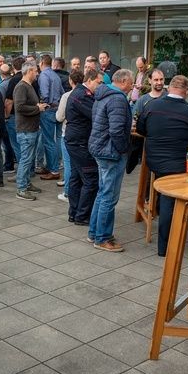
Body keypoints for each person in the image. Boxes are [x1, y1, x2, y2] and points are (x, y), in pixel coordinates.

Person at [137, 75, 188, 257]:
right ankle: (165, 246)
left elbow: (141, 129)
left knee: (166, 195)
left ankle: (165, 234)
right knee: (169, 199)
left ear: (168, 87)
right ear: (187, 92)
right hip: (179, 163)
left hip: (154, 161)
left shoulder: (151, 106)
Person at [88, 69, 135, 252]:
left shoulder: (103, 94)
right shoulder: (117, 98)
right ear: (123, 81)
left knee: (102, 193)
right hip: (110, 152)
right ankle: (102, 238)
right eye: (131, 82)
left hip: (101, 148)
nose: (132, 86)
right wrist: (123, 149)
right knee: (109, 196)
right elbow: (116, 130)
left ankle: (94, 232)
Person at [65, 68, 102, 225]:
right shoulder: (82, 95)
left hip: (76, 141)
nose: (101, 86)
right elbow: (96, 114)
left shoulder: (81, 93)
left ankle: (74, 213)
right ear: (90, 80)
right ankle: (82, 216)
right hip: (79, 143)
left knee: (76, 178)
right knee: (91, 179)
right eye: (99, 83)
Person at [13, 61, 45, 200]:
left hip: (31, 129)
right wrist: (37, 108)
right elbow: (19, 107)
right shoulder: (21, 87)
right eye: (35, 71)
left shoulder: (28, 86)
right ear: (29, 71)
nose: (37, 73)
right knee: (26, 160)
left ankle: (26, 184)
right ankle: (21, 188)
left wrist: (37, 106)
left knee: (28, 158)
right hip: (26, 130)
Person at [56, 70, 83, 203]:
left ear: (70, 81)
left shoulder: (67, 96)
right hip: (83, 134)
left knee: (68, 165)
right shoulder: (88, 95)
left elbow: (59, 117)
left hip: (67, 133)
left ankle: (68, 193)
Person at [38, 54, 64, 180]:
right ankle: (51, 166)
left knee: (48, 141)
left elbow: (45, 94)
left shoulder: (44, 75)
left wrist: (42, 104)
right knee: (55, 140)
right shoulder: (55, 75)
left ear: (42, 63)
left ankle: (54, 170)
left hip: (48, 110)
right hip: (57, 108)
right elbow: (62, 92)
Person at [3, 56, 26, 176]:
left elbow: (9, 101)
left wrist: (6, 116)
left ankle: (22, 173)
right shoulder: (30, 78)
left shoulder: (14, 80)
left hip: (14, 116)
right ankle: (28, 170)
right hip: (27, 116)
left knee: (16, 144)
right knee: (26, 145)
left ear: (13, 67)